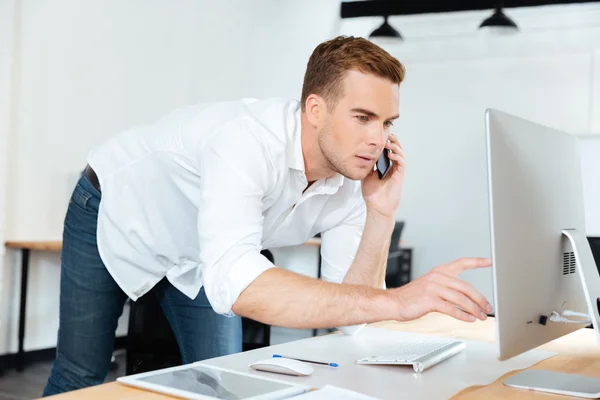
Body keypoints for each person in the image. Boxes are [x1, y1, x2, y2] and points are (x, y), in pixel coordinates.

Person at [43, 35, 492, 396]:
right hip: (115, 207)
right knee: (80, 373)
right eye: (362, 117)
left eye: (387, 122)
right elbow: (238, 282)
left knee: (222, 382)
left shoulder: (354, 179)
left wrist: (380, 213)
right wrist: (397, 301)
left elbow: (352, 313)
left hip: (201, 252)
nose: (377, 139)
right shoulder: (245, 141)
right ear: (315, 109)